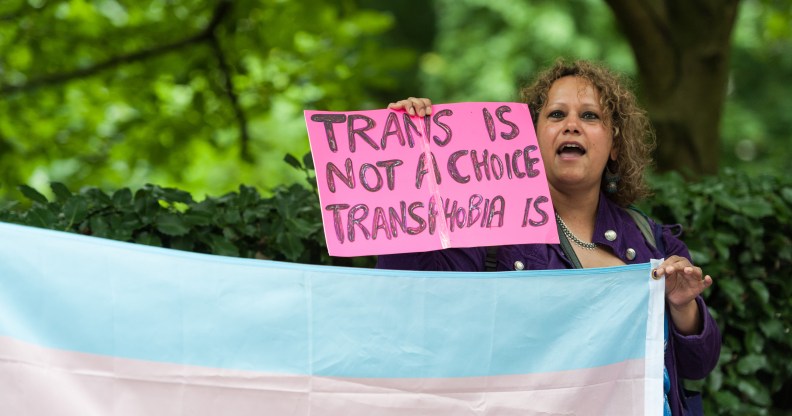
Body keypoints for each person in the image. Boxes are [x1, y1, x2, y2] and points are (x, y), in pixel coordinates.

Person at [377, 59, 720, 416]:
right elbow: (411, 294)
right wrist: (407, 156)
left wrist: (683, 307)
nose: (571, 125)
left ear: (615, 144)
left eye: (590, 116)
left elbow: (699, 365)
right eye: (556, 115)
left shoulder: (655, 241)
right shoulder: (490, 230)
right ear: (531, 137)